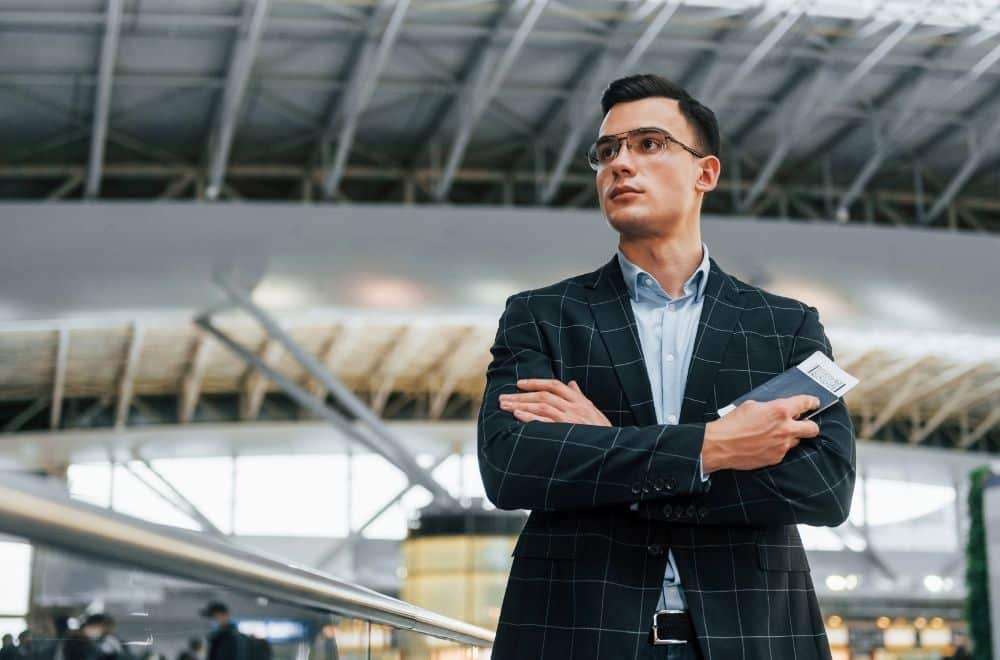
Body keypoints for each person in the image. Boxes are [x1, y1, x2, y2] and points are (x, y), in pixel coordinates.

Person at [477, 73, 855, 660]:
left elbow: (825, 487)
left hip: (755, 637)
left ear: (705, 173)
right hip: (576, 636)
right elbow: (511, 468)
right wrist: (713, 447)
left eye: (648, 144)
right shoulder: (542, 315)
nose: (619, 164)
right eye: (606, 152)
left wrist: (609, 447)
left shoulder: (784, 326)